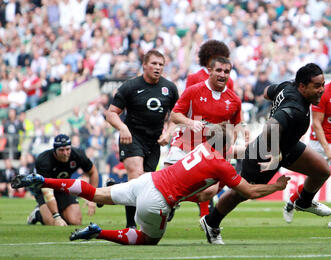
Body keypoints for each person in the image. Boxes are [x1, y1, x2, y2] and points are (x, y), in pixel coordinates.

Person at [12, 123, 290, 245]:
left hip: (146, 181)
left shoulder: (204, 149)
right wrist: (276, 187)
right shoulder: (220, 163)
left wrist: (260, 151)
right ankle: (99, 233)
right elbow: (250, 191)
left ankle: (41, 180)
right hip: (156, 200)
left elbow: (230, 153)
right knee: (147, 240)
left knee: (96, 192)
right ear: (225, 143)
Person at [200, 63, 331, 245]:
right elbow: (270, 127)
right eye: (317, 86)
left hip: (287, 146)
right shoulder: (296, 109)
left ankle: (304, 201)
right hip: (264, 152)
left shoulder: (288, 85)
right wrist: (276, 153)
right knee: (241, 193)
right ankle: (211, 222)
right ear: (302, 86)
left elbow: (266, 93)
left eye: (323, 84)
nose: (322, 90)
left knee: (322, 170)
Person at [163, 40, 239, 220]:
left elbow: (231, 113)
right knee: (169, 179)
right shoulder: (194, 79)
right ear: (208, 61)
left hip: (213, 139)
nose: (221, 71)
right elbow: (182, 109)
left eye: (224, 66)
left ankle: (204, 213)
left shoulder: (230, 85)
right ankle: (174, 200)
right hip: (190, 135)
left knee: (208, 185)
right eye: (215, 62)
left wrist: (227, 141)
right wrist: (171, 130)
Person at [284, 59, 331, 229]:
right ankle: (292, 200)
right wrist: (327, 149)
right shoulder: (323, 93)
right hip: (318, 141)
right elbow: (317, 123)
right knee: (315, 179)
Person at [105, 49, 179, 228]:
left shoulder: (169, 88)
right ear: (144, 65)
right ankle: (131, 226)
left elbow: (178, 116)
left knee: (146, 183)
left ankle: (114, 188)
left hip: (154, 141)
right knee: (137, 177)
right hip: (132, 137)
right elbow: (111, 113)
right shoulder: (130, 86)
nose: (157, 67)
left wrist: (168, 133)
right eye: (154, 63)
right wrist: (122, 128)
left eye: (161, 65)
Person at [25, 134, 99, 226]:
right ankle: (38, 214)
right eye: (61, 150)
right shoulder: (44, 160)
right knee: (53, 223)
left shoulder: (77, 154)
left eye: (68, 149)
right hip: (44, 189)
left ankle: (61, 213)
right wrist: (57, 216)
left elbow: (93, 172)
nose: (65, 153)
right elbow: (47, 191)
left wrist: (92, 198)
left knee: (75, 221)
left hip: (63, 187)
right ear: (54, 150)